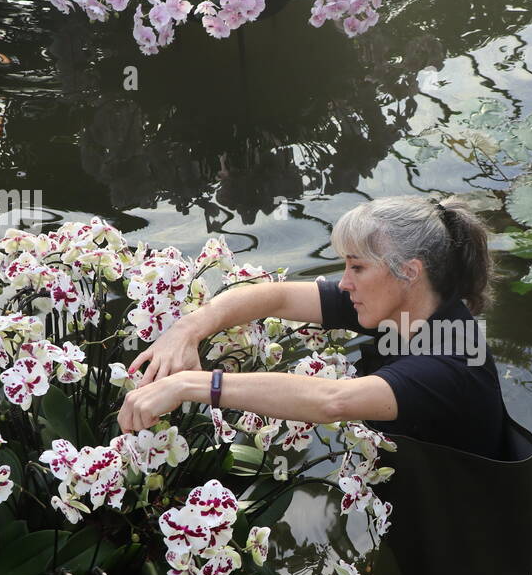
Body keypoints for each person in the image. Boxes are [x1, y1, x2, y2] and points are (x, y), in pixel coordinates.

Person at [117, 195, 509, 459]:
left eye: (357, 267)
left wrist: (187, 385)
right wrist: (187, 329)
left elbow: (331, 401)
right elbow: (277, 297)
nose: (344, 283)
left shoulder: (452, 362)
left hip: (466, 533)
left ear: (408, 272)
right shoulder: (400, 305)